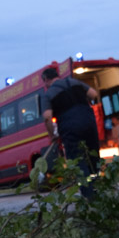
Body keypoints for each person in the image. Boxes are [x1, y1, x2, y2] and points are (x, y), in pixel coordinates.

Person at [40, 64, 101, 198]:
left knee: (77, 161)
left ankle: (89, 196)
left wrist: (52, 135)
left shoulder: (48, 94)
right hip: (89, 122)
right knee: (93, 157)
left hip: (70, 127)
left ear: (45, 80)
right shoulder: (74, 82)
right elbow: (94, 94)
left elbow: (47, 117)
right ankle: (99, 189)